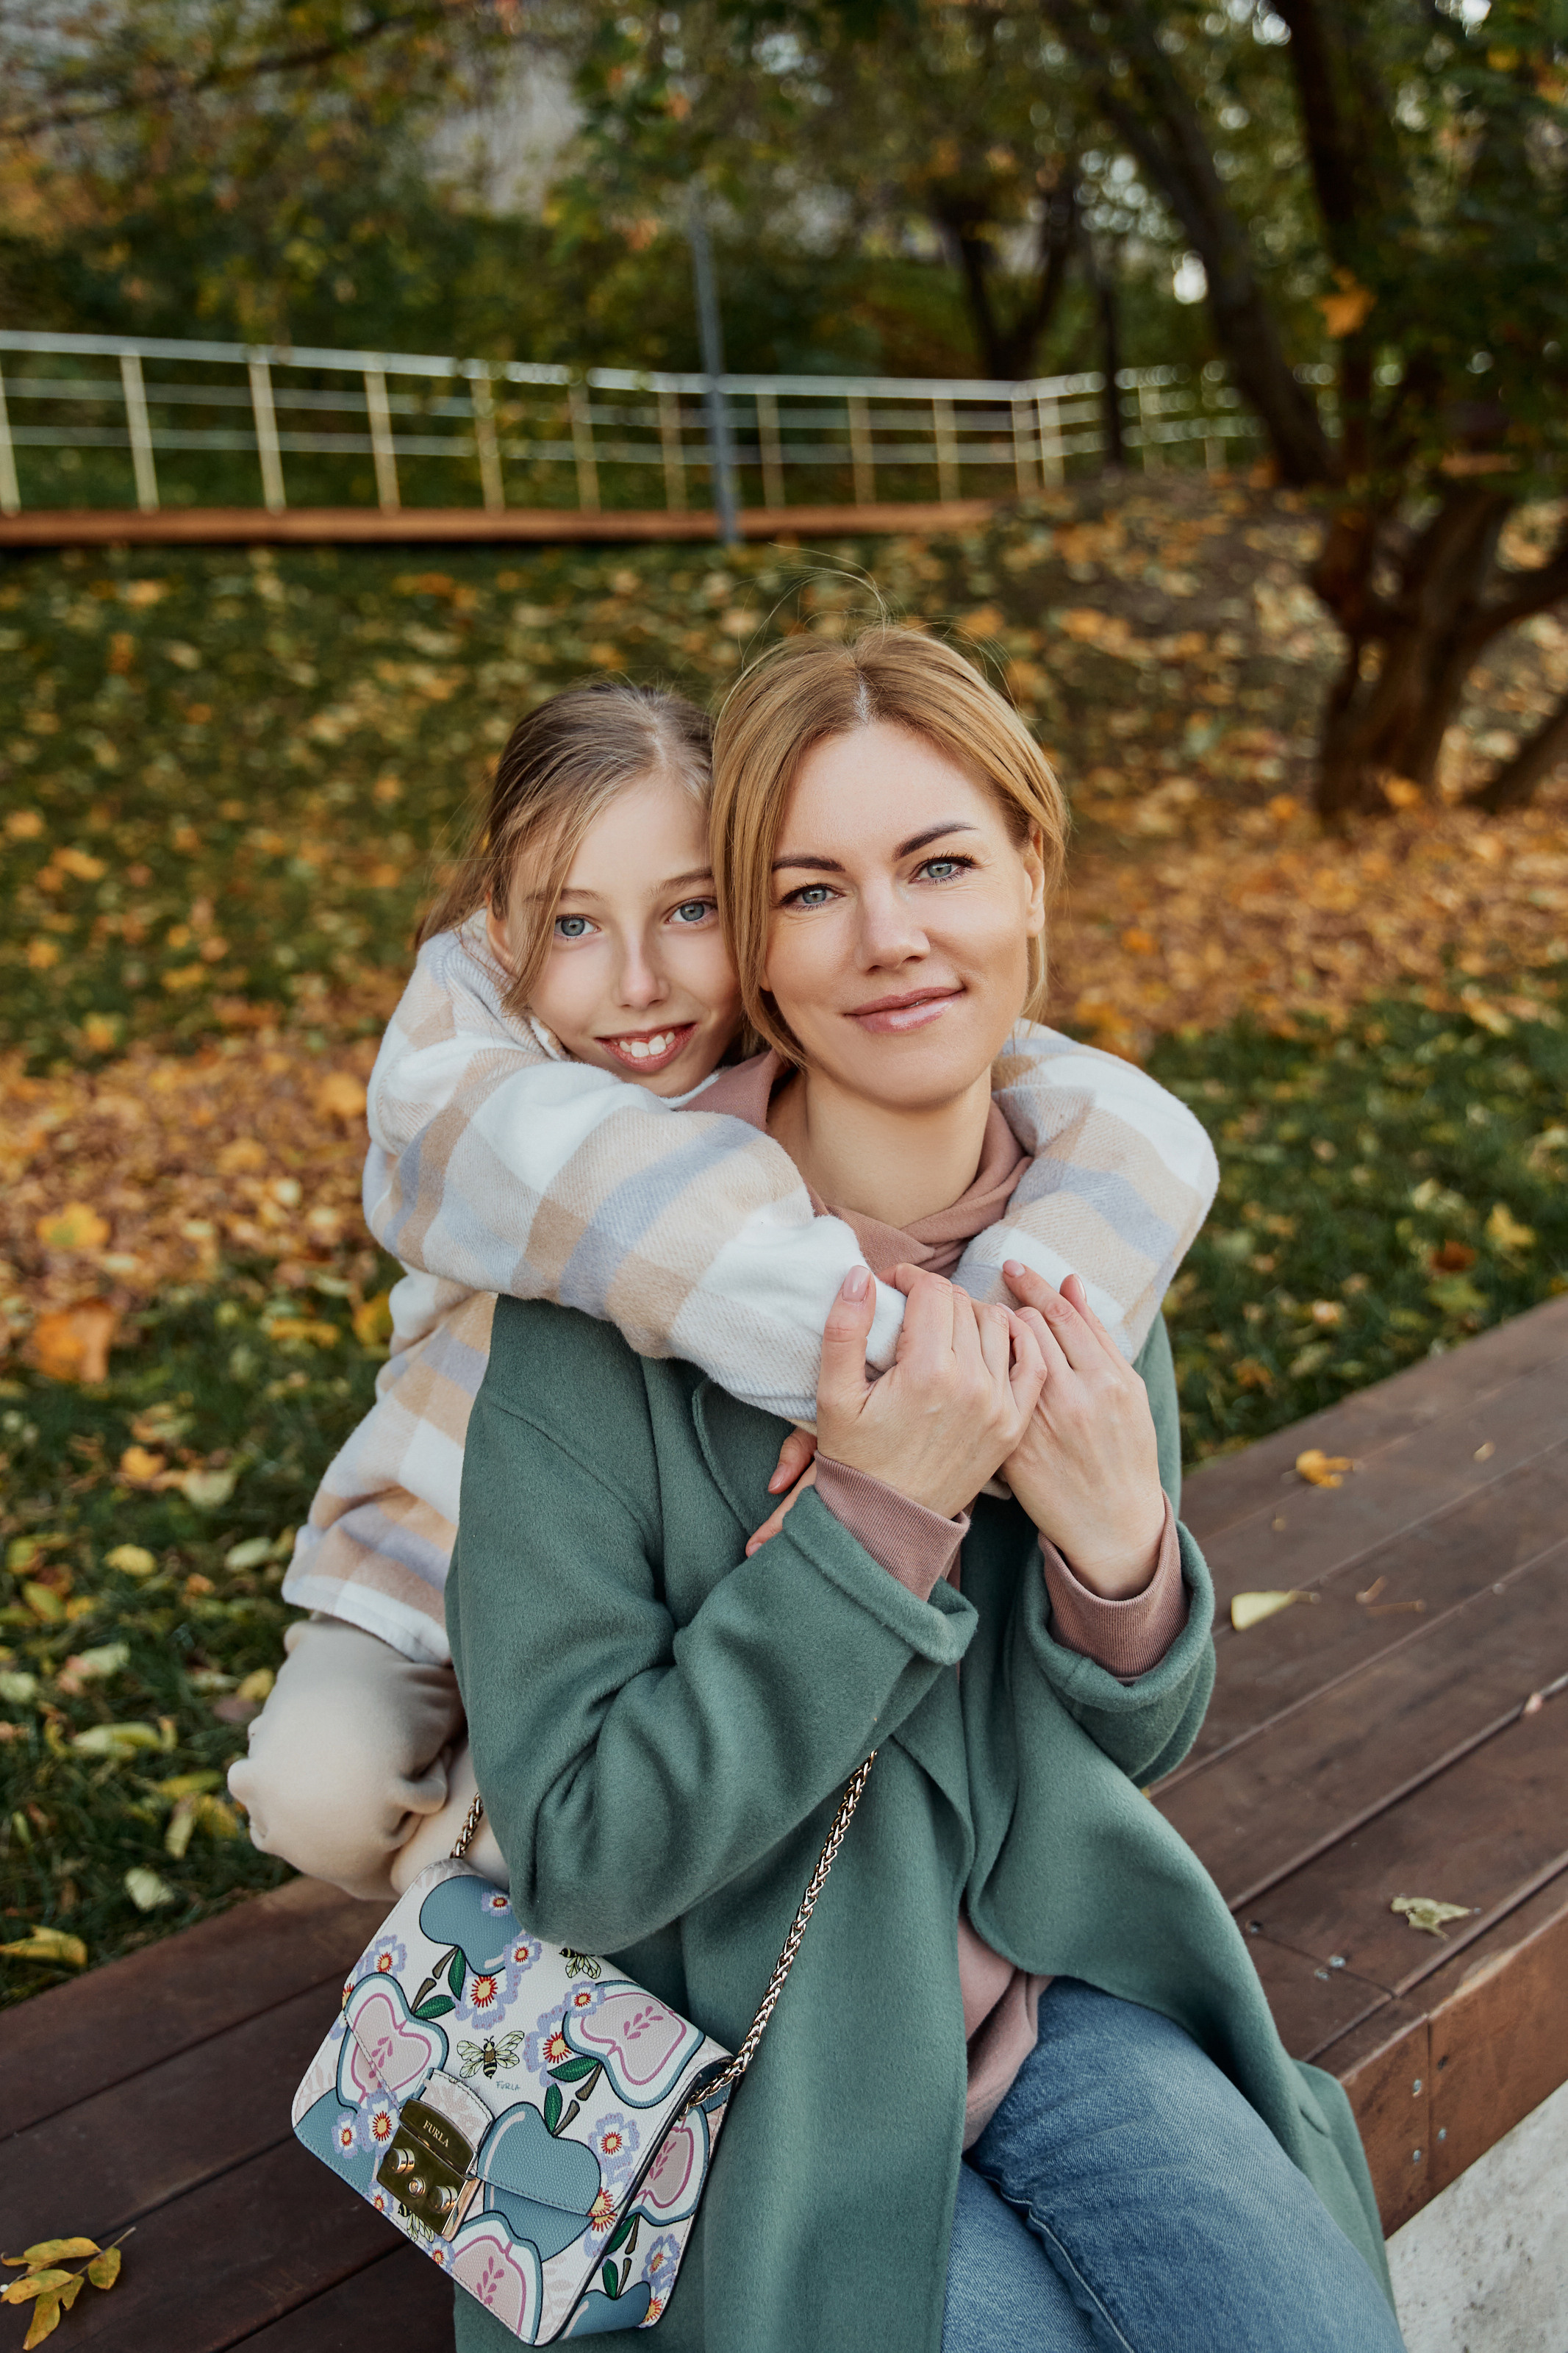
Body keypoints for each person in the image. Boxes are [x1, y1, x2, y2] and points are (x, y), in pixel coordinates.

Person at [448, 628, 1404, 2352]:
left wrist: (1121, 1557)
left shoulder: (1078, 1244)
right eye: (810, 890)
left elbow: (1128, 1741)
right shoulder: (607, 1304)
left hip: (1053, 1992)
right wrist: (862, 1529)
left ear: (1029, 874)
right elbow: (580, 1855)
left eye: (939, 864)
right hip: (742, 2070)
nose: (886, 936)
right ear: (755, 947)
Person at [233, 674, 1219, 1907]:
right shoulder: (509, 1113)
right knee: (325, 1790)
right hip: (436, 1538)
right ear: (504, 936)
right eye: (572, 925)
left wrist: (1068, 1443)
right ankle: (511, 1879)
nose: (638, 982)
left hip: (695, 1618)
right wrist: (920, 1381)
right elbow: (653, 1225)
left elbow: (1095, 1105)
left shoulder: (897, 1083)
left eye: (691, 909)